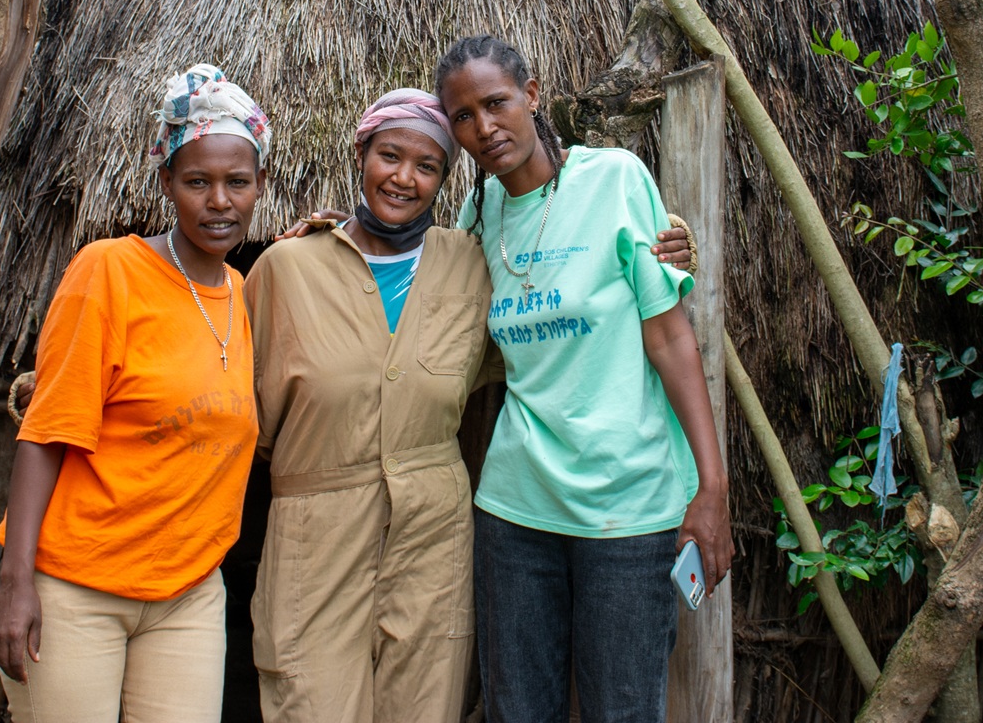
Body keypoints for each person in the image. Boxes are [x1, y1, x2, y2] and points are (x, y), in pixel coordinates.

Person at [246, 90, 694, 723]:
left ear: (444, 180)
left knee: (426, 705)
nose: (403, 177)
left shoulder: (469, 262)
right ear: (360, 155)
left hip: (435, 530)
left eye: (426, 166)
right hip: (315, 533)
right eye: (389, 156)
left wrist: (669, 247)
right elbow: (244, 424)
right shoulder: (285, 268)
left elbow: (553, 313)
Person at [434, 34, 733, 723]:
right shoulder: (477, 217)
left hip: (628, 508)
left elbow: (670, 336)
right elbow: (420, 305)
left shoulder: (615, 179)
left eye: (497, 103)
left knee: (623, 711)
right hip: (515, 508)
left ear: (533, 96)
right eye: (463, 117)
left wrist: (712, 490)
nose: (484, 128)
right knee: (518, 712)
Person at [0, 64, 270, 723]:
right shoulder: (109, 271)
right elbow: (48, 430)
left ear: (262, 186)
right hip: (76, 586)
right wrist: (16, 582)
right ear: (166, 182)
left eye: (237, 182)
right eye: (197, 182)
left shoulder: (243, 296)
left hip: (187, 593)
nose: (219, 201)